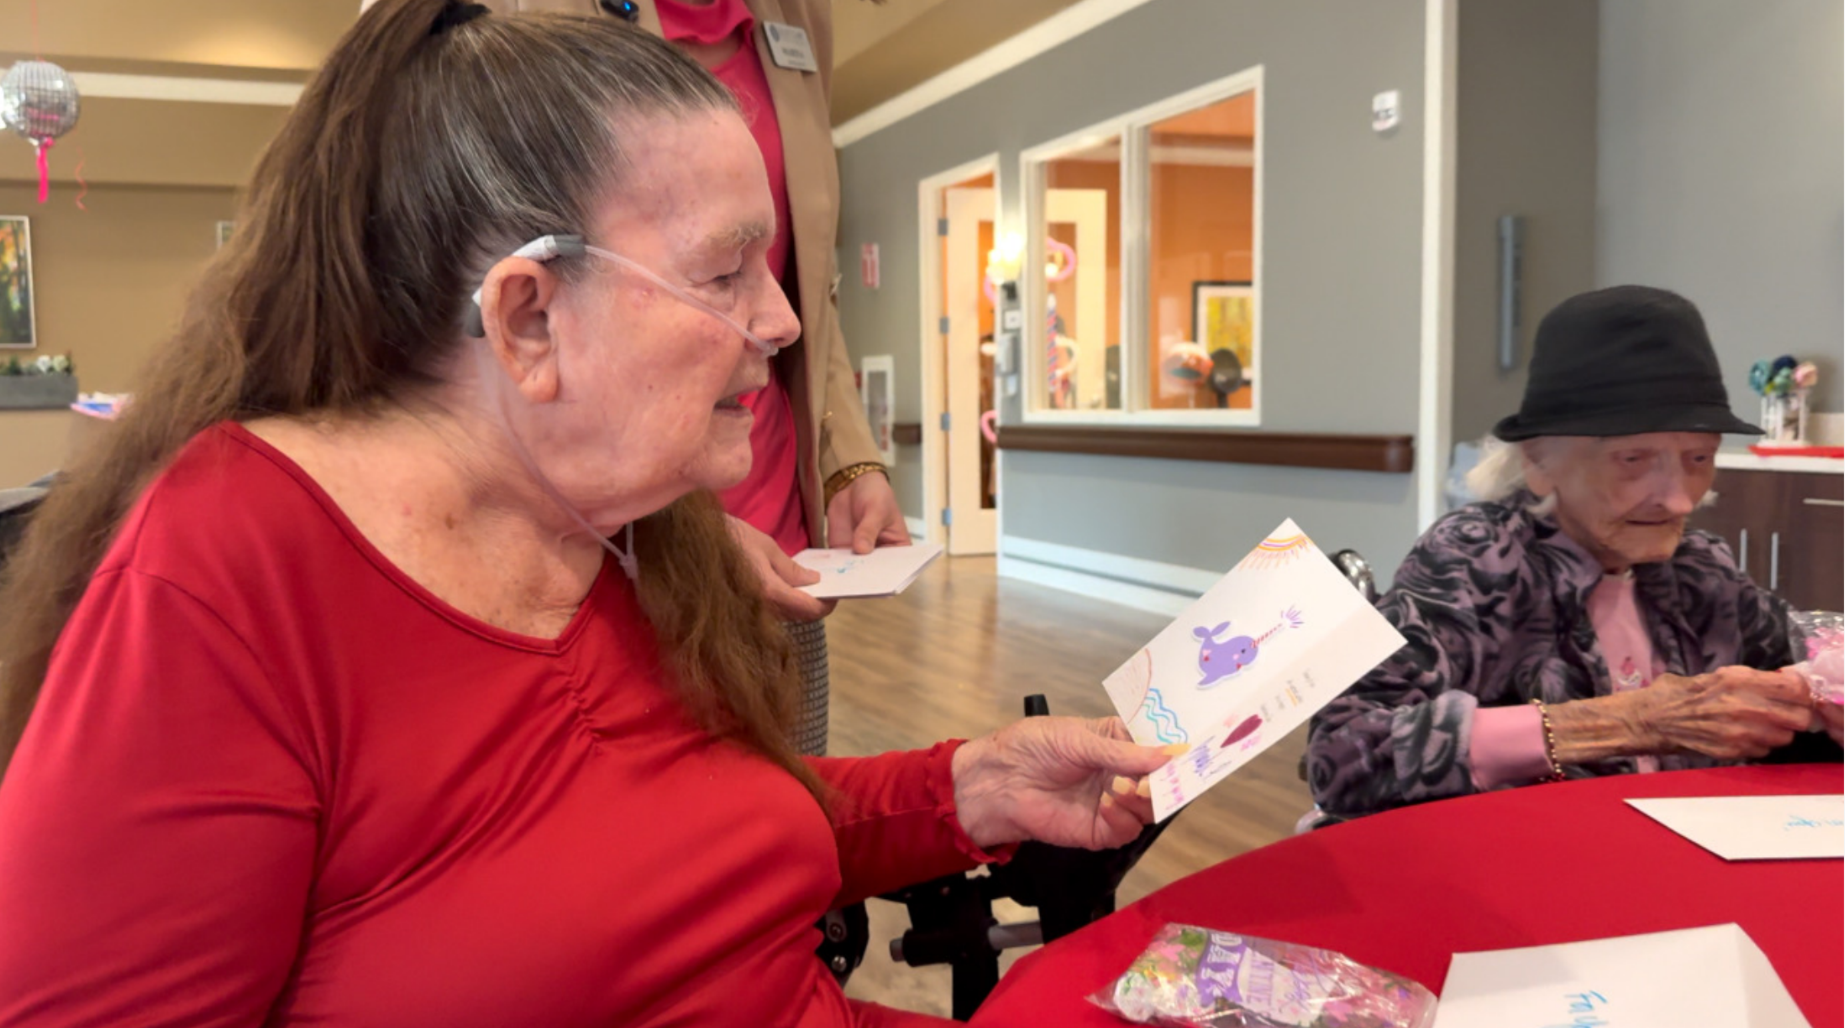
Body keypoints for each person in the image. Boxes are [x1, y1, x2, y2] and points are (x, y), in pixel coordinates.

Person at [0, 5, 1169, 1025]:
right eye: (724, 274)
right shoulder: (229, 573)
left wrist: (966, 785)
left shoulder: (634, 522)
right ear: (527, 320)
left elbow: (718, 833)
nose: (782, 321)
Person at [476, 0, 912, 759]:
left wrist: (847, 454)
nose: (780, 327)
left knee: (792, 807)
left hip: (768, 489)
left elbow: (805, 278)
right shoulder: (517, 19)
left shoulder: (796, 20)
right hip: (600, 520)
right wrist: (672, 534)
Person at [1307, 286, 1843, 819]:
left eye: (1699, 457)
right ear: (1540, 462)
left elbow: (1814, 657)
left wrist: (1822, 696)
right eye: (1633, 459)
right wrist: (1630, 721)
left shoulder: (1702, 570)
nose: (1680, 498)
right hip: (1518, 874)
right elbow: (1345, 753)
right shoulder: (1476, 559)